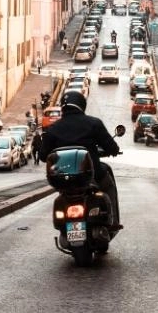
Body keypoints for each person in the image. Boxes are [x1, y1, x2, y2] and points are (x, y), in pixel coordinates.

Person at [39, 90, 122, 229]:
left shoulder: (53, 129)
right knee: (108, 187)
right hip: (92, 174)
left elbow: (42, 156)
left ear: (63, 107)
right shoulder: (93, 123)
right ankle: (113, 222)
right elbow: (112, 147)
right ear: (82, 105)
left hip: (63, 178)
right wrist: (111, 151)